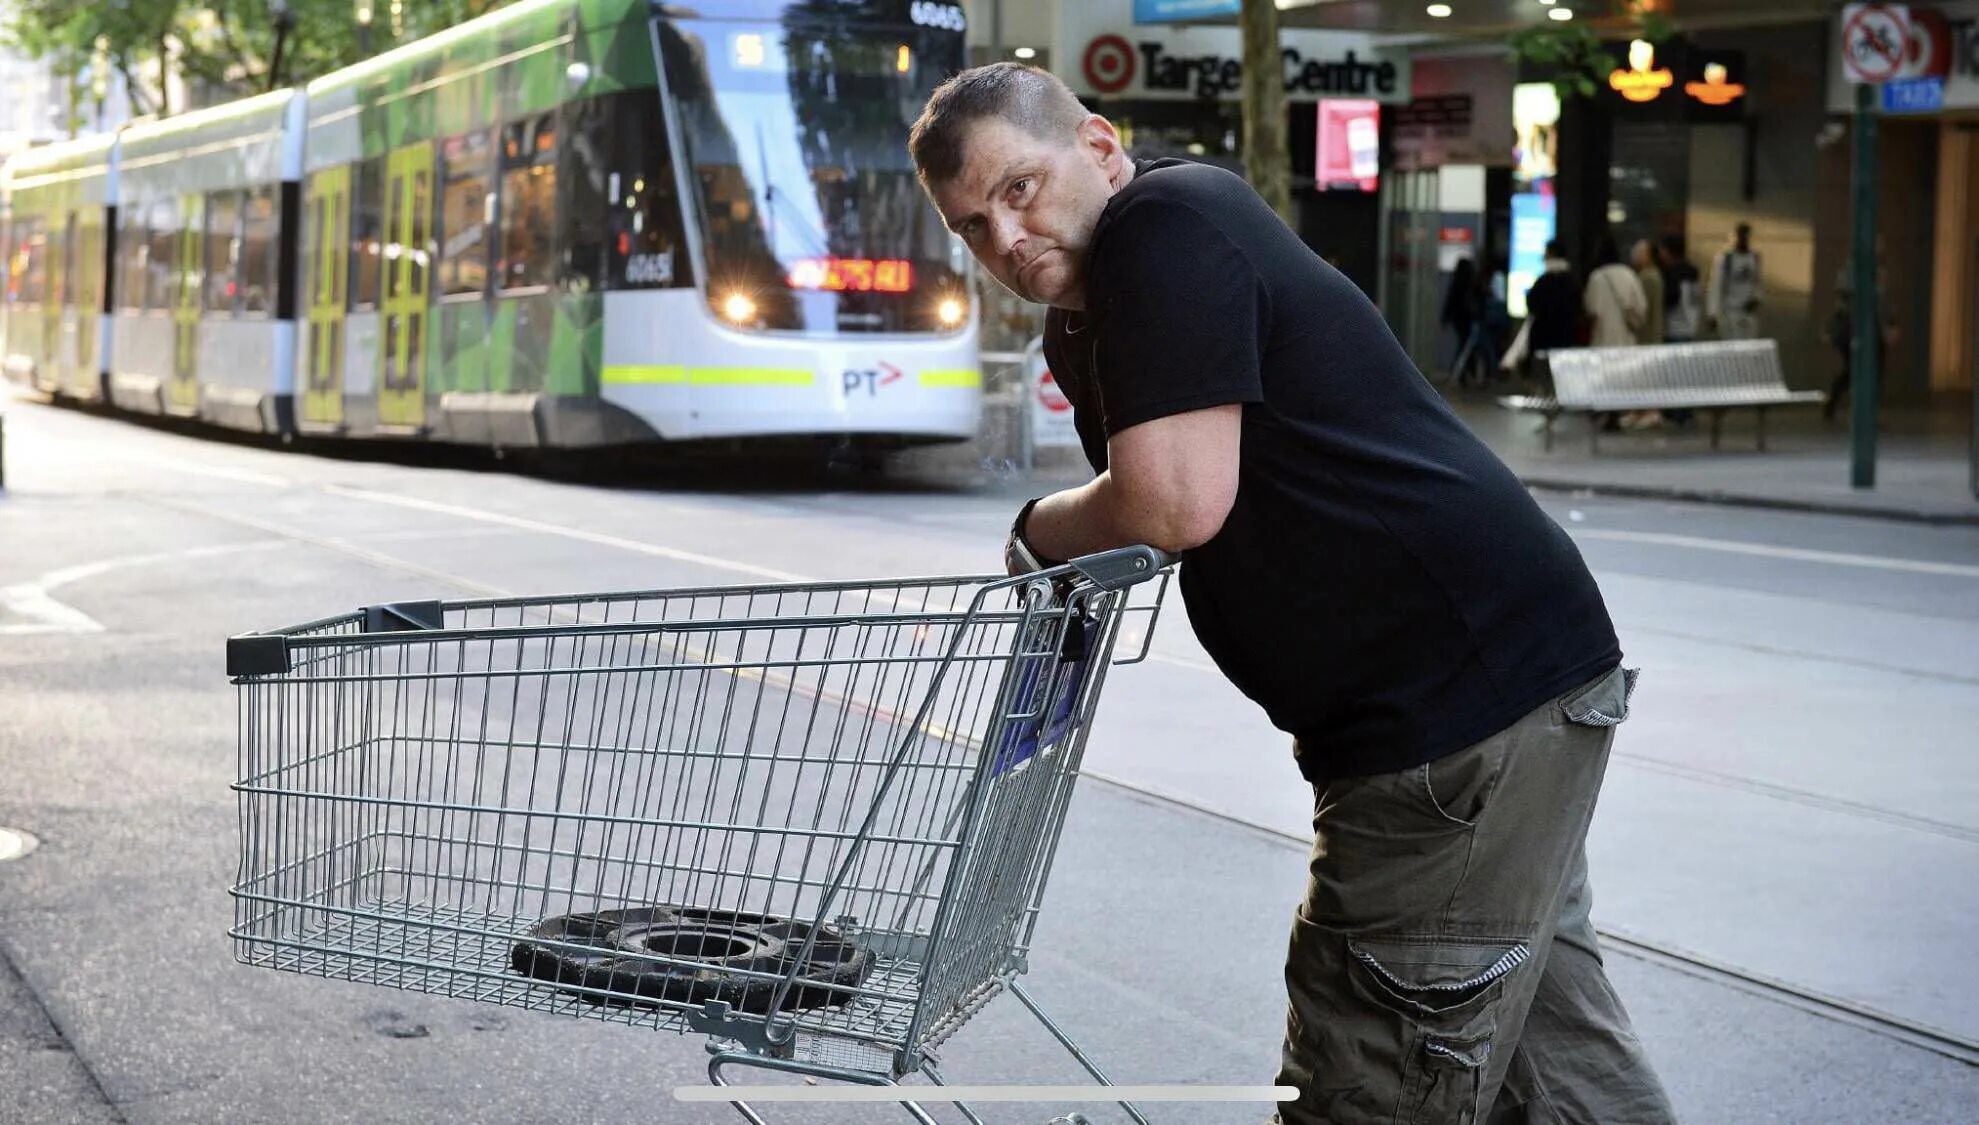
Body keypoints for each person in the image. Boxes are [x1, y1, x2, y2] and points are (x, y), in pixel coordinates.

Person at [908, 63, 1675, 1125]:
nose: (1002, 238)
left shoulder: (1163, 223)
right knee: (1556, 1070)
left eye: (1019, 189)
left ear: (1096, 145)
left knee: (1365, 1072)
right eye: (969, 225)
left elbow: (1171, 504)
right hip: (1486, 697)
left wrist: (1033, 532)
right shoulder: (1086, 321)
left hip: (1448, 719)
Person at [1504, 241, 1579, 385]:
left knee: (1543, 375)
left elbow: (1532, 305)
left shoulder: (1542, 282)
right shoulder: (1571, 282)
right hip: (1565, 336)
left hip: (1543, 337)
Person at [1708, 222, 1763, 340]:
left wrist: (1757, 298)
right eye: (1740, 236)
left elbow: (1758, 282)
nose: (1742, 239)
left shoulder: (1754, 257)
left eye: (1745, 236)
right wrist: (1712, 313)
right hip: (1730, 312)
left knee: (1749, 350)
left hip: (1748, 313)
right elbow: (1715, 286)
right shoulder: (1725, 258)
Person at [1440, 256, 1482, 385]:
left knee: (1464, 346)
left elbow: (1450, 301)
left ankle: (1462, 373)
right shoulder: (1471, 283)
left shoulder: (1458, 282)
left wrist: (1445, 318)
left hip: (1459, 319)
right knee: (1466, 347)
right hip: (1467, 319)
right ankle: (1464, 373)